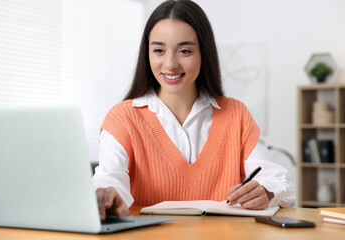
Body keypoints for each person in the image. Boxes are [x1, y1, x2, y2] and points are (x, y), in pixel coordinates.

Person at [93, 0, 295, 221]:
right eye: (159, 50)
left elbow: (275, 177)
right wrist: (107, 195)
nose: (170, 64)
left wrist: (265, 190)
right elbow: (110, 178)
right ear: (147, 53)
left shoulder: (236, 114)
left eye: (185, 51)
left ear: (203, 54)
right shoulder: (122, 118)